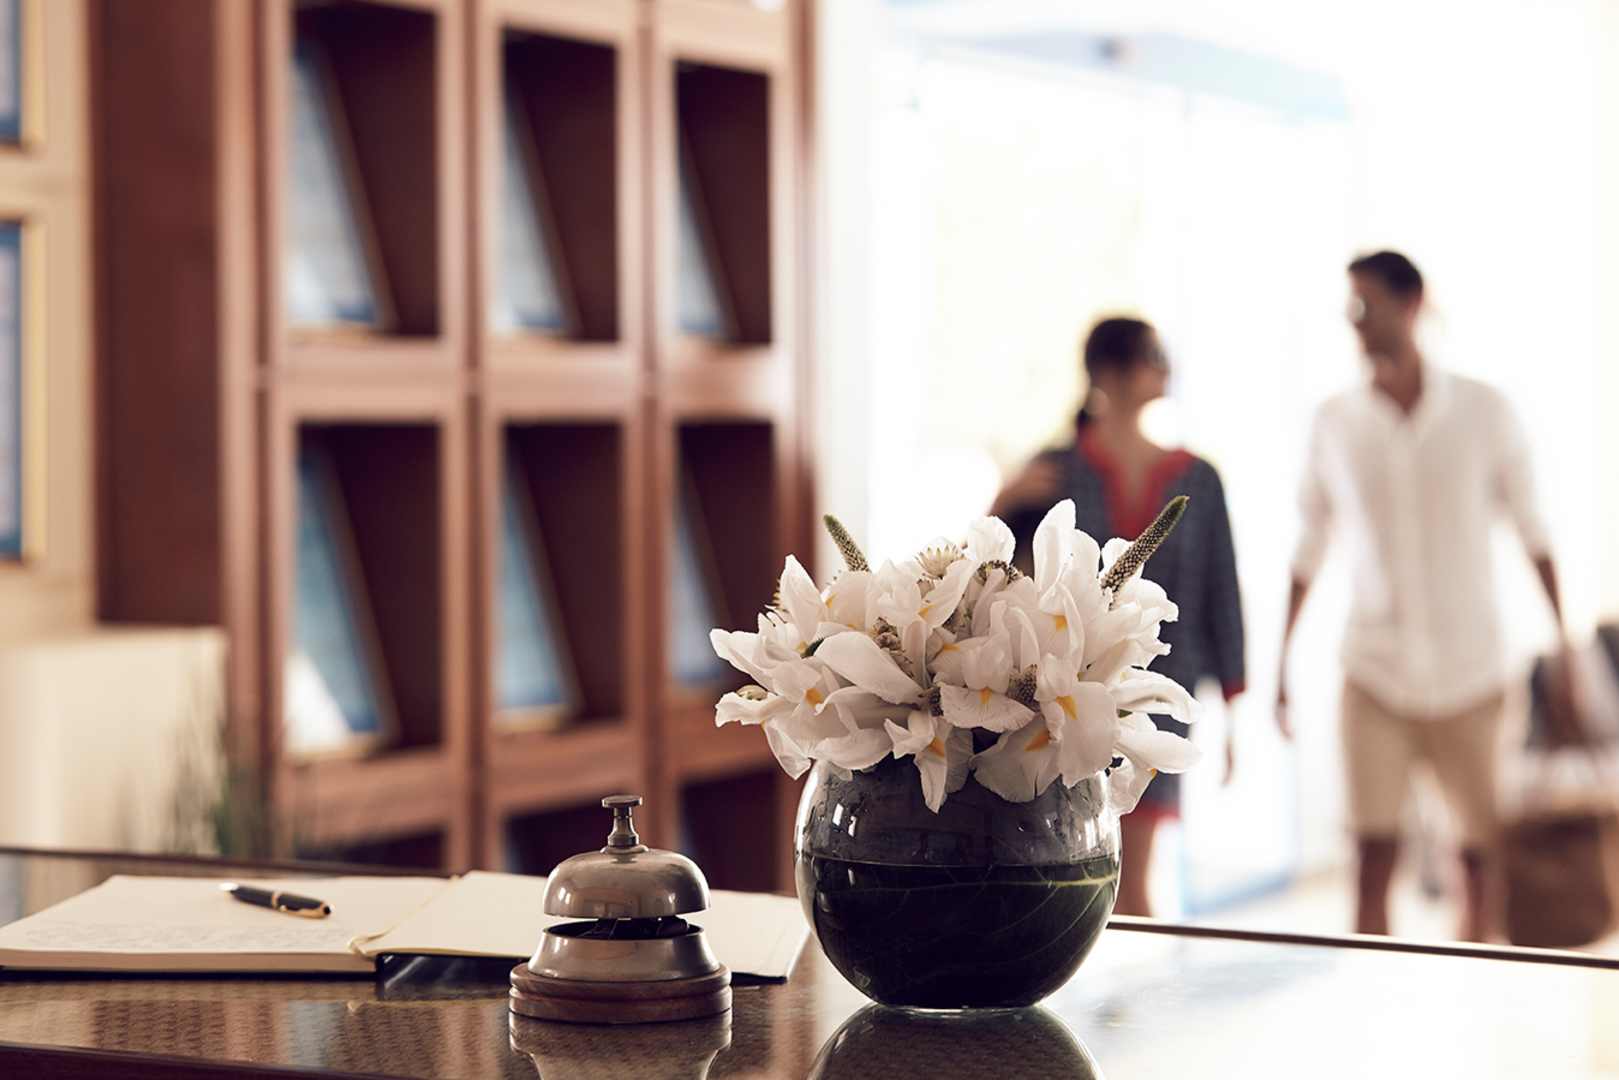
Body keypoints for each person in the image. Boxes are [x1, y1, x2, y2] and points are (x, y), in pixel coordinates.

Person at [1276, 250, 1571, 941]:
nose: (1354, 321)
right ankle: (1371, 985)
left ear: (1410, 305)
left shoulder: (1484, 410)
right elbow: (1308, 547)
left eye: (1365, 305)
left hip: (1473, 676)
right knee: (1371, 856)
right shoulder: (1334, 421)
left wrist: (1564, 653)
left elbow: (1533, 533)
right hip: (1373, 674)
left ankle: (1476, 980)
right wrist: (1281, 664)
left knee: (1479, 860)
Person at [993, 316, 1246, 917]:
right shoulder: (1055, 467)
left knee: (1136, 866)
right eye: (1148, 357)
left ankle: (1135, 971)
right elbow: (992, 573)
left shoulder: (1199, 479)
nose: (1162, 369)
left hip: (1164, 684)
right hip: (1068, 688)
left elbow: (1221, 589)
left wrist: (1235, 704)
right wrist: (1005, 498)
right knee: (1074, 858)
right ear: (1107, 373)